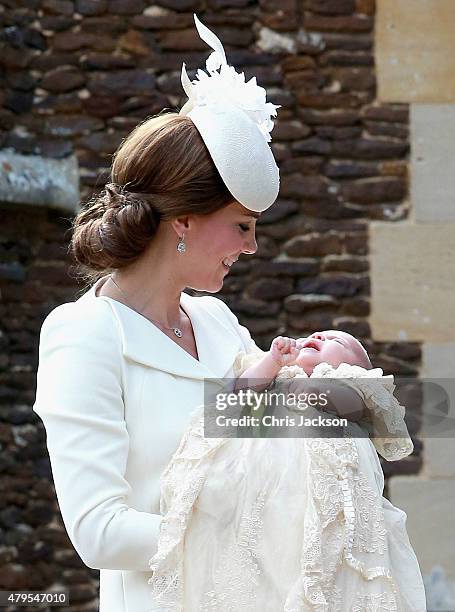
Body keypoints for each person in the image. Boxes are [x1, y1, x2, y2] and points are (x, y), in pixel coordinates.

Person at [32, 15, 383, 612]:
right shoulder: (83, 335)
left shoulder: (218, 323)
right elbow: (98, 532)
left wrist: (344, 393)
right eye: (241, 226)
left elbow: (281, 441)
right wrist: (247, 531)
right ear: (184, 222)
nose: (251, 246)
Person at [147, 331, 427, 611]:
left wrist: (317, 391)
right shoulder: (277, 373)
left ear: (354, 366)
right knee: (252, 554)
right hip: (258, 482)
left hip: (314, 483)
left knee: (312, 548)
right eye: (314, 335)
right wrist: (271, 362)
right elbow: (236, 394)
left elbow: (354, 407)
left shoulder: (348, 381)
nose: (318, 335)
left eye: (336, 341)